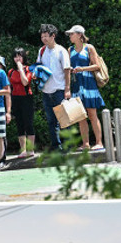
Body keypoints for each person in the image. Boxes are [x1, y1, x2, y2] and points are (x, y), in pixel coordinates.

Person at [66, 25, 105, 152]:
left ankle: (99, 142)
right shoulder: (69, 49)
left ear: (79, 35)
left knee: (92, 114)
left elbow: (97, 66)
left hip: (88, 84)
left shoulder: (89, 47)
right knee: (80, 117)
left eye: (72, 34)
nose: (70, 36)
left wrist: (83, 68)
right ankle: (86, 144)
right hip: (76, 84)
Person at [37, 24, 71, 152]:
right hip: (46, 90)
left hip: (59, 89)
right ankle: (56, 146)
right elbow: (39, 67)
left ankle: (68, 146)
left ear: (53, 36)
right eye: (42, 36)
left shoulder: (61, 50)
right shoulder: (41, 50)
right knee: (51, 121)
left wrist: (67, 89)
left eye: (46, 36)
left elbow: (67, 70)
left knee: (64, 120)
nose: (44, 39)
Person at [9, 48, 35, 157]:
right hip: (15, 98)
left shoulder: (28, 69)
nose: (17, 58)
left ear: (24, 57)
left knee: (28, 123)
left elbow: (25, 82)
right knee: (19, 124)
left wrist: (20, 68)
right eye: (15, 56)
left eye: (19, 56)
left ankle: (30, 149)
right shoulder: (10, 71)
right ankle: (23, 149)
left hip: (26, 98)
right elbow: (9, 87)